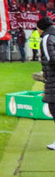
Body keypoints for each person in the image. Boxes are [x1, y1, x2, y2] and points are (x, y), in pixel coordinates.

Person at [35, 16, 55, 150]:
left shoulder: (47, 39)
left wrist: (45, 74)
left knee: (53, 108)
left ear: (41, 28)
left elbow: (51, 59)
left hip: (53, 79)